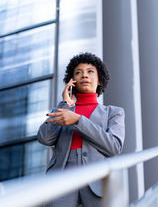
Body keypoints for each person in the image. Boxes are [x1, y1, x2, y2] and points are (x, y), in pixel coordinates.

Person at [37, 52, 125, 207]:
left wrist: (78, 120)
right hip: (61, 179)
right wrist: (65, 103)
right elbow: (44, 138)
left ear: (99, 80)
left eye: (90, 71)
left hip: (96, 179)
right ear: (72, 81)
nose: (84, 75)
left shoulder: (113, 112)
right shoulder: (63, 108)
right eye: (78, 72)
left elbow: (114, 147)